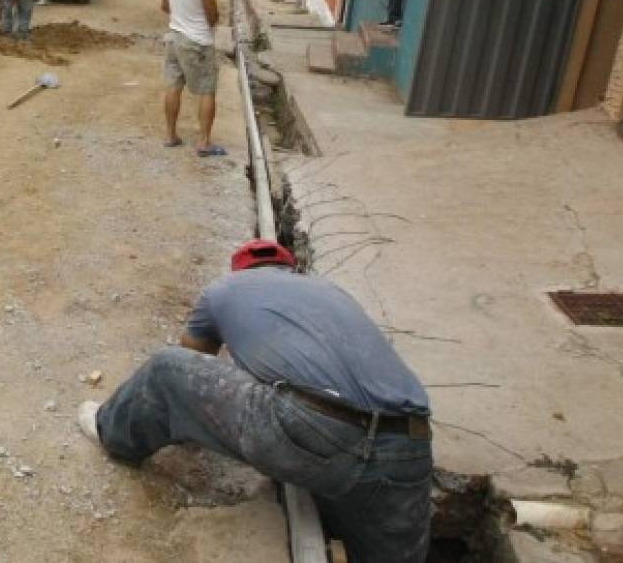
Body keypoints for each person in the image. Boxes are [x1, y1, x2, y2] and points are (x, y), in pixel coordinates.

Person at [77, 239, 433, 563]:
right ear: (291, 268)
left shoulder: (223, 290)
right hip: (410, 444)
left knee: (167, 370)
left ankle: (111, 430)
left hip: (308, 425)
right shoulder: (332, 292)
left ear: (239, 270)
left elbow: (195, 359)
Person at [162, 0, 223, 156]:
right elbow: (212, 16)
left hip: (174, 36)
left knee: (173, 86)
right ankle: (204, 142)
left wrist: (183, 15)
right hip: (197, 41)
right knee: (207, 90)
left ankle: (170, 135)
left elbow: (165, 5)